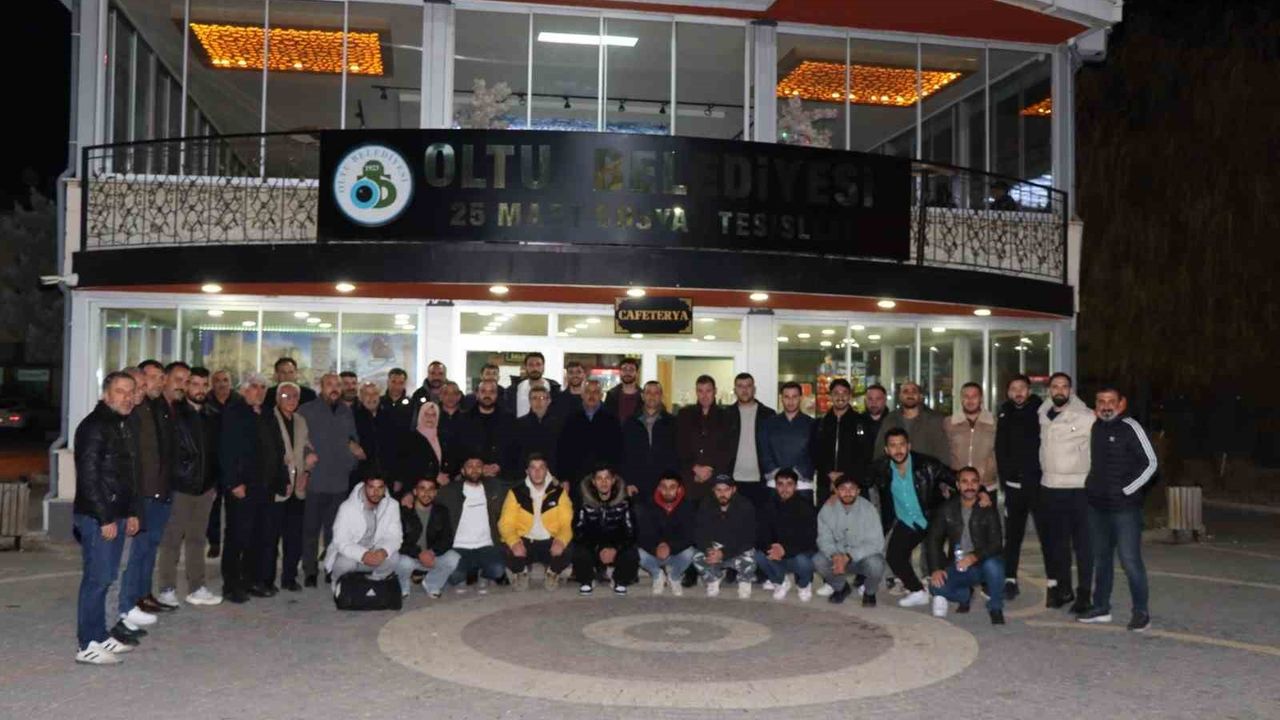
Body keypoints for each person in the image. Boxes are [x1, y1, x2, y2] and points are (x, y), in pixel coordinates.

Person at [72, 371, 141, 664]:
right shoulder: (95, 426)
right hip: (98, 516)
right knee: (97, 579)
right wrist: (105, 518)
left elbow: (126, 475)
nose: (127, 397)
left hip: (117, 513)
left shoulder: (120, 424)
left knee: (107, 577)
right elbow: (89, 477)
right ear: (105, 394)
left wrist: (132, 512)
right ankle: (88, 644)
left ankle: (100, 636)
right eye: (120, 391)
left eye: (131, 392)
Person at [1078, 387, 1157, 631]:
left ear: (1121, 404)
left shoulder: (1131, 427)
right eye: (1101, 401)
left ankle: (1141, 613)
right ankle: (1101, 607)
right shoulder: (1096, 428)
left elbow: (1151, 463)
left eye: (1111, 401)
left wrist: (1127, 490)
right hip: (1097, 507)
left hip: (1125, 509)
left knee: (1130, 560)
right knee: (1101, 559)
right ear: (1095, 405)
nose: (1106, 406)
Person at [865, 428, 956, 609]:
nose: (898, 450)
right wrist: (837, 491)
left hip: (931, 518)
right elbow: (860, 481)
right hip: (907, 520)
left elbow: (956, 478)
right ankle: (918, 591)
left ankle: (941, 596)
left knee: (935, 559)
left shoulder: (928, 464)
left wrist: (981, 492)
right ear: (886, 450)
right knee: (894, 556)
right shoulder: (881, 467)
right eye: (893, 446)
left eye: (901, 445)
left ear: (909, 446)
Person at [155, 366, 222, 608]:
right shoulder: (174, 413)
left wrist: (214, 484)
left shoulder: (212, 414)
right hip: (180, 487)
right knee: (172, 540)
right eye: (195, 384)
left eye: (204, 385)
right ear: (187, 386)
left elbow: (216, 453)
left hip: (205, 489)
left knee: (197, 539)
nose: (200, 389)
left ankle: (196, 587)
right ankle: (166, 589)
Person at [297, 373, 366, 587]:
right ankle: (310, 571)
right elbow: (298, 441)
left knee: (334, 530)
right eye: (329, 384)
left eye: (337, 385)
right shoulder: (306, 410)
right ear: (321, 386)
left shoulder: (346, 411)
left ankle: (330, 567)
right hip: (315, 480)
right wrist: (306, 458)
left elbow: (353, 439)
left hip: (339, 482)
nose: (334, 388)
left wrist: (351, 462)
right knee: (310, 530)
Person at [118, 360, 175, 621]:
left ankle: (142, 594)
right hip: (142, 493)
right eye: (153, 378)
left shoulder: (157, 407)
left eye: (161, 378)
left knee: (149, 547)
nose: (159, 383)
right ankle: (129, 602)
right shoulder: (131, 412)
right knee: (135, 552)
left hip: (160, 491)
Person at [1038, 372, 1095, 613]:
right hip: (1051, 487)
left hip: (1079, 489)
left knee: (1083, 546)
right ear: (1049, 390)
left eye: (1064, 386)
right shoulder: (1042, 414)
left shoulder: (1086, 416)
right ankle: (1064, 590)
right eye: (1055, 386)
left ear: (1071, 391)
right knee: (1057, 545)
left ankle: (1084, 594)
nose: (1059, 390)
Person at [925, 467, 1007, 624]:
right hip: (958, 563)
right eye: (964, 482)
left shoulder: (987, 508)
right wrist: (936, 568)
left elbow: (997, 544)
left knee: (995, 566)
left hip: (983, 562)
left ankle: (995, 606)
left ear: (979, 484)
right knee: (935, 587)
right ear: (957, 485)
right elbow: (934, 540)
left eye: (974, 482)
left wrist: (974, 557)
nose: (969, 486)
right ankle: (965, 595)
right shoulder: (947, 508)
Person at [218, 373, 272, 604]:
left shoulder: (265, 413)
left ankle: (251, 580)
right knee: (237, 537)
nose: (259, 391)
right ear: (244, 390)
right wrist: (233, 482)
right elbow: (226, 450)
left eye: (263, 387)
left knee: (257, 536)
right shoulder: (233, 412)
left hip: (262, 485)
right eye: (255, 387)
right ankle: (231, 585)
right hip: (241, 486)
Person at [995, 374, 1044, 601]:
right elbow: (1000, 449)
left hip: (1038, 486)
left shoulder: (1041, 412)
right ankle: (1010, 579)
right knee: (1013, 537)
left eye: (1022, 388)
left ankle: (1055, 582)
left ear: (1029, 390)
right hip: (1013, 487)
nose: (1018, 392)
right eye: (1013, 388)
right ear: (1008, 392)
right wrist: (1006, 479)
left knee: (1047, 536)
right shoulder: (1004, 413)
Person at [265, 382, 316, 593]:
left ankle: (289, 577)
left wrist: (307, 470)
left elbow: (307, 447)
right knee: (270, 537)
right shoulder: (268, 419)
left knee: (294, 537)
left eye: (295, 396)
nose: (291, 400)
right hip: (277, 488)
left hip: (298, 487)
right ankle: (266, 580)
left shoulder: (300, 420)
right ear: (277, 398)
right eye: (286, 396)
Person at [498, 454, 574, 590]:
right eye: (533, 468)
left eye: (541, 468)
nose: (537, 472)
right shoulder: (516, 493)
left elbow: (566, 523)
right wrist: (514, 542)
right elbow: (505, 523)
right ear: (527, 471)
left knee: (569, 547)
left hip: (550, 541)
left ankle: (553, 572)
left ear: (547, 470)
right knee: (505, 547)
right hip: (525, 541)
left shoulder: (559, 493)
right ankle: (520, 572)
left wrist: (560, 540)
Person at [435, 455, 508, 592]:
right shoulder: (449, 491)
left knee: (498, 570)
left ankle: (482, 574)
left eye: (478, 466)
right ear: (462, 471)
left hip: (486, 545)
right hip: (459, 547)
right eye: (470, 466)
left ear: (483, 469)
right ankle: (469, 573)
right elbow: (430, 498)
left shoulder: (493, 488)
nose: (474, 469)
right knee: (455, 576)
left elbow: (515, 487)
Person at [323, 475, 403, 593]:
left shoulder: (392, 505)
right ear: (365, 486)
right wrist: (363, 554)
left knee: (394, 557)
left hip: (375, 553)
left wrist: (384, 551)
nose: (375, 492)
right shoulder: (347, 507)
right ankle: (337, 582)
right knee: (346, 564)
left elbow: (395, 536)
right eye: (371, 487)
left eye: (380, 487)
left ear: (385, 488)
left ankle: (375, 582)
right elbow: (340, 541)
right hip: (351, 556)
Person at [814, 474, 885, 606]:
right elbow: (823, 538)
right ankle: (841, 588)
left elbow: (876, 543)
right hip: (838, 557)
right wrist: (835, 555)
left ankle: (869, 592)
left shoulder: (869, 509)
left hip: (863, 559)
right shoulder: (827, 509)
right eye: (843, 488)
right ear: (836, 491)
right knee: (818, 560)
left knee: (877, 564)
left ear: (858, 491)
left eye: (852, 488)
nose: (847, 492)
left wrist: (849, 556)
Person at [571, 465, 639, 596]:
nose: (603, 482)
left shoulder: (624, 502)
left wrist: (615, 549)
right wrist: (598, 549)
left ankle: (619, 580)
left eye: (607, 478)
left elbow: (631, 533)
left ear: (613, 480)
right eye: (599, 478)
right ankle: (588, 579)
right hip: (593, 546)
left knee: (632, 553)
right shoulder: (583, 502)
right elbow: (578, 532)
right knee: (579, 552)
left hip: (616, 546)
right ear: (593, 481)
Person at [754, 468, 819, 601]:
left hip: (796, 554)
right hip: (777, 554)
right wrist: (772, 547)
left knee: (804, 561)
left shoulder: (806, 507)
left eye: (789, 484)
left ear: (796, 486)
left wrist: (785, 550)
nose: (784, 488)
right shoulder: (768, 506)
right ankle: (780, 582)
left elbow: (809, 538)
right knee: (758, 555)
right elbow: (760, 533)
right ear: (776, 486)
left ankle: (804, 584)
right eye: (780, 484)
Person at [813, 379, 878, 506]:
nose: (840, 397)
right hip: (826, 486)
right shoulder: (820, 424)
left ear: (850, 396)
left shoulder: (861, 423)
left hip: (853, 487)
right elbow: (815, 453)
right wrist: (830, 474)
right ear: (830, 396)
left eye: (844, 393)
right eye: (836, 393)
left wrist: (843, 476)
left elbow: (867, 454)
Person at [692, 475, 757, 598]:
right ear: (713, 490)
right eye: (718, 490)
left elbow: (748, 537)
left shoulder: (745, 506)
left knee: (750, 555)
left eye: (726, 489)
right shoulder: (706, 504)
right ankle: (714, 578)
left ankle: (744, 580)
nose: (722, 494)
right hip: (715, 546)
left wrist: (724, 553)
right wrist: (708, 549)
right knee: (696, 556)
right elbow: (699, 532)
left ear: (733, 489)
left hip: (736, 548)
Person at [556, 379, 623, 500]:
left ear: (601, 395)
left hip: (604, 481)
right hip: (576, 479)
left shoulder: (611, 419)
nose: (591, 395)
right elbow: (562, 450)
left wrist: (615, 477)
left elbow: (618, 451)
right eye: (588, 392)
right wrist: (564, 478)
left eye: (596, 392)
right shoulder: (571, 418)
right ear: (582, 394)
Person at [393, 477, 459, 598]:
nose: (426, 493)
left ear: (435, 492)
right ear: (415, 491)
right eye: (422, 488)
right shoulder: (403, 512)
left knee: (454, 557)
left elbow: (447, 539)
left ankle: (431, 583)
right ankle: (403, 586)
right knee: (403, 562)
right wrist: (419, 553)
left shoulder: (441, 511)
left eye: (431, 489)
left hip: (431, 557)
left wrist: (432, 552)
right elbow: (398, 542)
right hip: (411, 557)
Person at [634, 472, 696, 596]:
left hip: (676, 553)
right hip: (654, 553)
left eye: (672, 487)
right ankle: (657, 575)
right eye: (664, 487)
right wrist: (657, 546)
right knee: (634, 551)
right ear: (658, 488)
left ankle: (674, 576)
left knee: (691, 552)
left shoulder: (687, 506)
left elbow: (690, 536)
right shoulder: (648, 505)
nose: (668, 491)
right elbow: (642, 534)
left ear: (679, 489)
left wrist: (670, 547)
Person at [723, 372, 776, 507]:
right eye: (740, 386)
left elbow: (773, 447)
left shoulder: (768, 415)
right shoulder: (725, 414)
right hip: (733, 481)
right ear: (735, 390)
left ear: (754, 389)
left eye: (748, 386)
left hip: (761, 481)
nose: (744, 390)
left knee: (760, 519)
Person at [676, 375, 730, 503]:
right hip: (689, 479)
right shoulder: (684, 415)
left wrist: (710, 469)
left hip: (716, 481)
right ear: (696, 392)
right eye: (700, 391)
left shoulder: (726, 416)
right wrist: (694, 468)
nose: (704, 395)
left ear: (715, 391)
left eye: (708, 391)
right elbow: (679, 445)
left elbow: (728, 448)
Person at [204, 368, 240, 559]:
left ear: (230, 382)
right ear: (212, 384)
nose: (222, 384)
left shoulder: (239, 401)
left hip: (234, 463)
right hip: (212, 463)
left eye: (225, 380)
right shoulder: (205, 402)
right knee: (213, 507)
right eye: (217, 380)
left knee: (235, 507)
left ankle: (233, 543)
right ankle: (214, 542)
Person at [759, 382, 815, 502]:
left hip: (802, 484)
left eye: (794, 396)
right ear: (781, 398)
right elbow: (764, 452)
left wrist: (797, 473)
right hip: (775, 483)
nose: (791, 401)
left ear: (801, 398)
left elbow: (815, 454)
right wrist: (777, 473)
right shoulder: (769, 424)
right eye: (787, 397)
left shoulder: (812, 424)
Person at [621, 381, 678, 499]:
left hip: (665, 485)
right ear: (642, 396)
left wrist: (673, 481)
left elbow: (676, 454)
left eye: (656, 393)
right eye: (648, 393)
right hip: (637, 485)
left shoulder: (672, 423)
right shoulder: (630, 422)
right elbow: (624, 454)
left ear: (661, 396)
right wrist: (628, 481)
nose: (652, 396)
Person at [455, 379, 518, 485]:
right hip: (471, 478)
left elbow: (515, 448)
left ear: (497, 395)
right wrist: (478, 467)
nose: (487, 395)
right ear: (477, 394)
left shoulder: (509, 419)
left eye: (492, 391)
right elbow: (459, 449)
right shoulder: (464, 419)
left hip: (503, 478)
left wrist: (499, 466)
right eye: (483, 391)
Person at [872, 381, 949, 464]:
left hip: (926, 470)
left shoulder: (934, 420)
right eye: (905, 391)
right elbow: (879, 451)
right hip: (895, 470)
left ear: (920, 396)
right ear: (900, 396)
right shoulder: (890, 419)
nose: (910, 394)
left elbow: (943, 453)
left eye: (914, 391)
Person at [945, 382, 998, 500]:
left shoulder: (994, 423)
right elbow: (944, 452)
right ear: (961, 399)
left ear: (981, 398)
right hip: (958, 486)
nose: (970, 400)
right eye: (966, 396)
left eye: (974, 396)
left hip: (987, 485)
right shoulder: (949, 423)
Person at [397, 401, 454, 494]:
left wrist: (447, 476)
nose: (430, 418)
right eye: (426, 414)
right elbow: (408, 467)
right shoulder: (410, 439)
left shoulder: (442, 437)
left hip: (441, 488)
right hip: (417, 489)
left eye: (433, 415)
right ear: (420, 416)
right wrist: (435, 476)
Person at [512, 385, 562, 474]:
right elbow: (515, 454)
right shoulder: (519, 424)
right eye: (534, 398)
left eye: (542, 398)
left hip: (553, 474)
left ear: (549, 401)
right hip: (525, 474)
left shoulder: (559, 425)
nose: (538, 402)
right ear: (529, 401)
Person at [377, 368, 415, 478]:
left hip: (404, 457)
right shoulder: (378, 403)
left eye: (400, 383)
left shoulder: (412, 405)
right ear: (388, 382)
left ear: (405, 384)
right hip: (380, 456)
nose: (396, 386)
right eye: (393, 382)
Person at [506, 352, 562, 418]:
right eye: (531, 365)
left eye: (538, 364)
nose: (535, 368)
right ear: (526, 367)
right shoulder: (513, 390)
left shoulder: (555, 390)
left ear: (543, 367)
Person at [352, 381, 383, 489]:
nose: (371, 397)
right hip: (359, 475)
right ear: (360, 397)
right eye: (367, 394)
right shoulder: (351, 416)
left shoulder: (389, 416)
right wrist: (349, 443)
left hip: (385, 476)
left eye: (374, 394)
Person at [603, 357, 642, 423]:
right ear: (620, 372)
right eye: (624, 369)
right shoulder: (611, 395)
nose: (627, 372)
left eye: (631, 370)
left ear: (637, 373)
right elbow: (606, 419)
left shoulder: (644, 396)